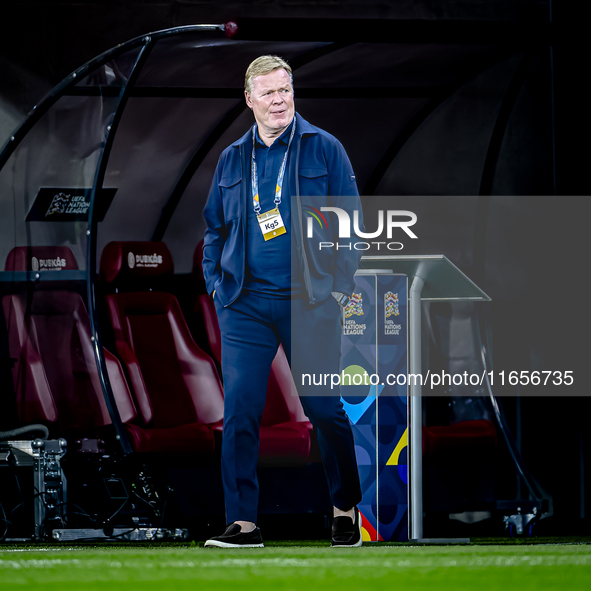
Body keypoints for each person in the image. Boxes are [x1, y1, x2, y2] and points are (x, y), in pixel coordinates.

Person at [202, 55, 363, 548]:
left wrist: (338, 286)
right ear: (249, 99)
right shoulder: (232, 159)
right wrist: (217, 287)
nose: (279, 100)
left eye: (285, 90)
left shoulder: (323, 149)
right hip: (245, 304)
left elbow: (352, 224)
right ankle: (244, 524)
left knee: (324, 407)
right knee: (242, 412)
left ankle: (344, 509)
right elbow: (213, 228)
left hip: (309, 301)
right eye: (268, 93)